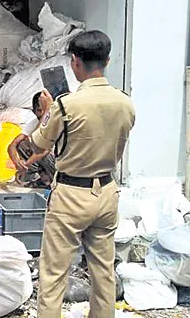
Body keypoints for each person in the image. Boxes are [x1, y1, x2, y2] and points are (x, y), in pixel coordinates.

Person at [30, 31, 135, 318]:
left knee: (53, 275)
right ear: (107, 61)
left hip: (70, 197)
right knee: (103, 271)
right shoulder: (125, 102)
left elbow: (39, 143)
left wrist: (47, 113)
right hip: (106, 192)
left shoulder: (66, 105)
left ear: (75, 62)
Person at [7, 92, 56, 187]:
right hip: (42, 157)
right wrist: (16, 162)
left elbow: (43, 150)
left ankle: (53, 181)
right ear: (34, 111)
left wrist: (25, 165)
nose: (43, 114)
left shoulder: (55, 121)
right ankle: (39, 178)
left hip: (59, 164)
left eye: (45, 110)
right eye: (40, 110)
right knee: (22, 144)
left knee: (45, 154)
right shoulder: (34, 122)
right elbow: (13, 144)